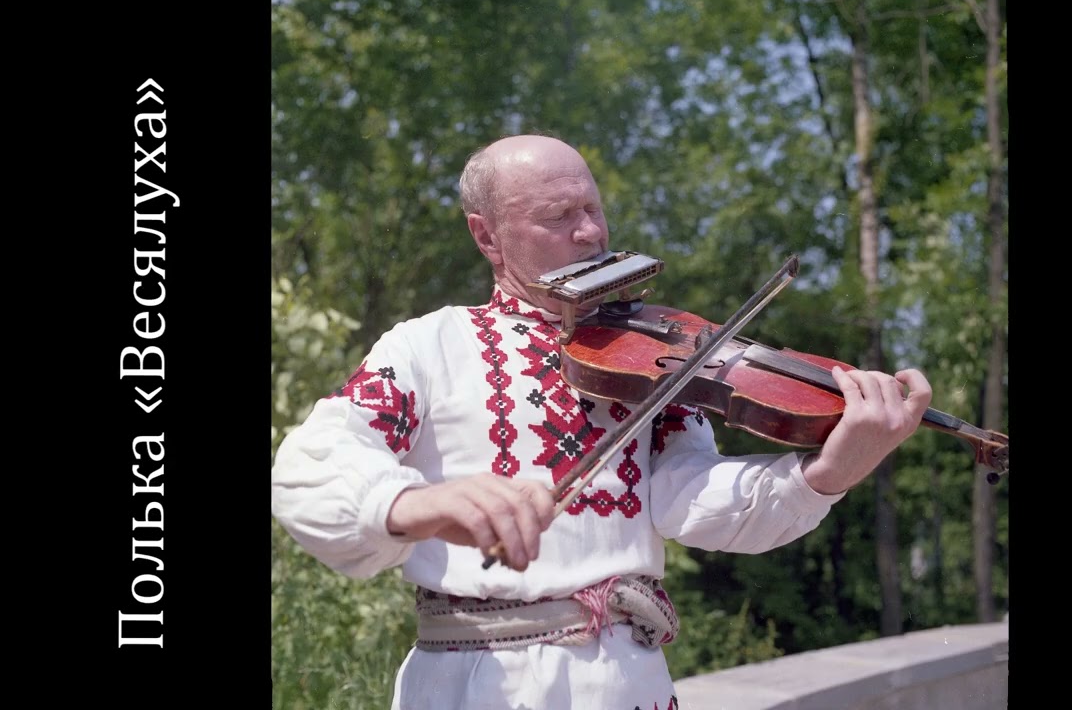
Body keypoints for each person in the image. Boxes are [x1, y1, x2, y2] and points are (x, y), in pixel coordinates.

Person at [270, 133, 933, 710]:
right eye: (558, 216)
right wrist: (413, 503)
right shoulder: (430, 346)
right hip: (476, 684)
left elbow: (690, 498)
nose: (589, 232)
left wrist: (828, 471)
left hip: (627, 681)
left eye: (593, 208)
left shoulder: (645, 355)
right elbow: (311, 466)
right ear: (486, 235)